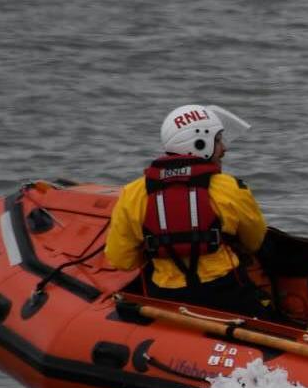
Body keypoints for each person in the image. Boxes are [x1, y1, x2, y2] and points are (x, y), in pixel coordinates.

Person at [105, 104, 272, 316]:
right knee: (271, 315)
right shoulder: (231, 188)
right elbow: (254, 241)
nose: (224, 149)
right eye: (219, 140)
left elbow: (121, 260)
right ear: (200, 143)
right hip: (225, 293)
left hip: (165, 296)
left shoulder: (132, 193)